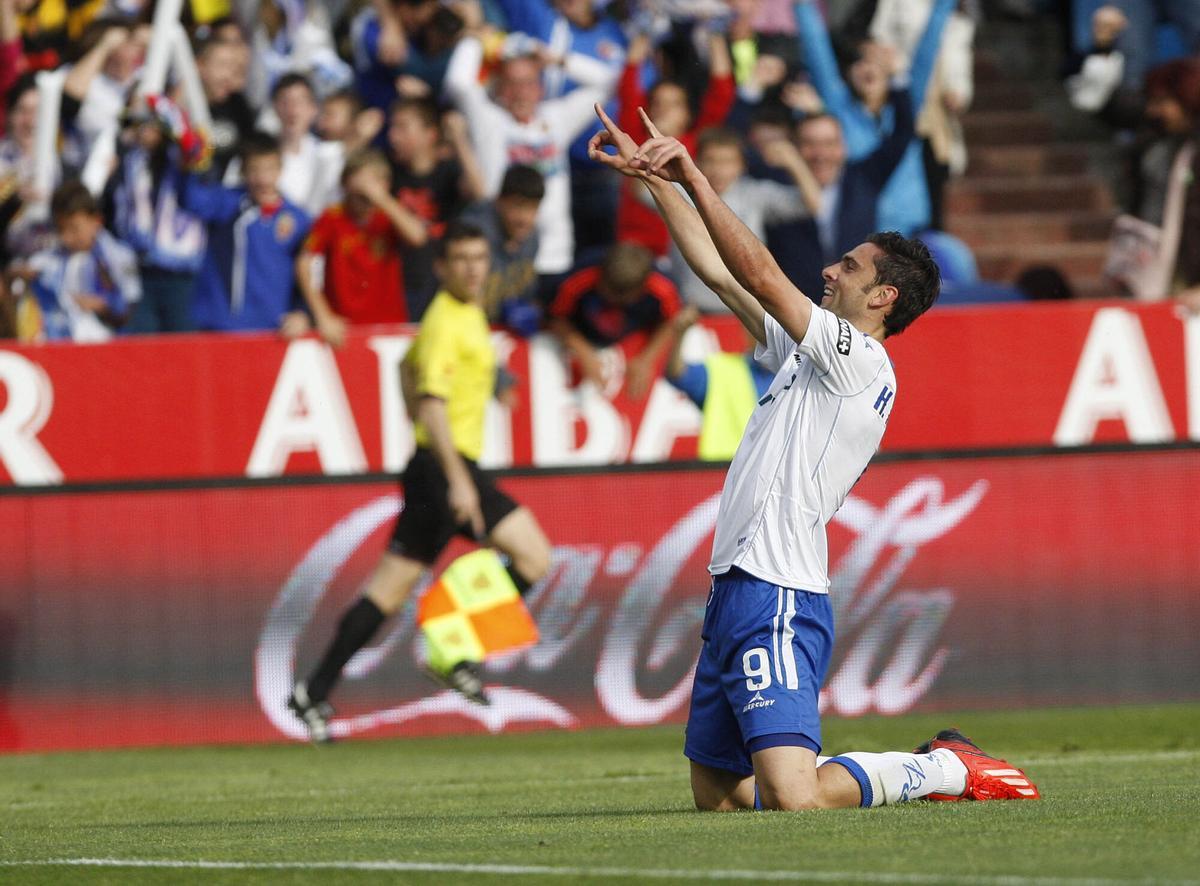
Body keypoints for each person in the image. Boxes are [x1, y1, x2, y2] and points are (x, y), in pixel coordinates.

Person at [588, 105, 1042, 810]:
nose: (830, 270)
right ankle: (889, 766)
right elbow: (723, 276)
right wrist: (656, 181)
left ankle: (945, 768)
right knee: (721, 795)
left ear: (883, 297)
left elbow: (764, 272)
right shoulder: (811, 354)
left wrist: (696, 177)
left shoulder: (861, 360)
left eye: (850, 267)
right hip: (733, 585)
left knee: (794, 798)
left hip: (778, 588)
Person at [288, 220, 553, 743]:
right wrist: (457, 481)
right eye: (462, 260)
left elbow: (405, 371)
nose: (474, 269)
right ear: (442, 267)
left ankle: (312, 692)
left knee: (387, 591)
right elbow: (431, 403)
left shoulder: (466, 314)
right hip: (446, 466)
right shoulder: (446, 323)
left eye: (480, 258)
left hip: (435, 465)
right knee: (533, 557)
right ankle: (453, 647)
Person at [296, 148, 427, 347]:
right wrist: (323, 316)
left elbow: (417, 237)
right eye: (360, 183)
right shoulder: (332, 218)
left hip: (389, 329)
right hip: (344, 330)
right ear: (345, 184)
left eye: (376, 181)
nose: (367, 192)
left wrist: (382, 198)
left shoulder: (389, 216)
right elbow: (304, 263)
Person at [183, 132, 311, 333]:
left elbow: (307, 271)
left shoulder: (298, 219)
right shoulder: (227, 203)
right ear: (242, 172)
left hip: (275, 327)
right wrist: (193, 159)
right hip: (222, 326)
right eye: (254, 170)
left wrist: (302, 312)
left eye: (269, 169)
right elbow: (192, 200)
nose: (262, 179)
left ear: (280, 169)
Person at [548, 241, 683, 400]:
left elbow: (672, 322)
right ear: (601, 275)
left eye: (621, 298)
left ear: (641, 289)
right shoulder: (580, 275)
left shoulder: (664, 287)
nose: (612, 300)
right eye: (607, 291)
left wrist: (646, 360)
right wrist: (583, 351)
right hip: (583, 331)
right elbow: (555, 317)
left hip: (632, 341)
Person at [21, 180, 141, 342]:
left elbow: (128, 309)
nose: (66, 237)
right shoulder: (47, 260)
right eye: (61, 229)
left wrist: (102, 306)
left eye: (74, 228)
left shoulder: (118, 257)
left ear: (96, 221)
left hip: (104, 346)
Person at [664, 308, 776, 462]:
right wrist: (680, 333)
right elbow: (676, 373)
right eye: (752, 325)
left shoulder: (801, 373)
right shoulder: (721, 370)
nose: (760, 334)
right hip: (723, 475)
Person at [459, 163, 545, 335]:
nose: (524, 218)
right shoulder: (474, 235)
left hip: (496, 334)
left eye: (533, 208)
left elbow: (525, 295)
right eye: (518, 206)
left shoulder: (532, 237)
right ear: (500, 201)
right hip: (462, 332)